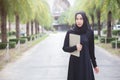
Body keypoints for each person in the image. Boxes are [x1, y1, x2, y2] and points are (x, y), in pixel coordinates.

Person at [62, 11, 99, 80]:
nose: (79, 21)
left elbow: (91, 51)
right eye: (77, 19)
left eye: (81, 19)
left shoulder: (89, 32)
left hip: (85, 62)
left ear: (84, 19)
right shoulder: (71, 32)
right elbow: (64, 48)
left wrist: (95, 65)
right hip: (74, 63)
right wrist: (75, 47)